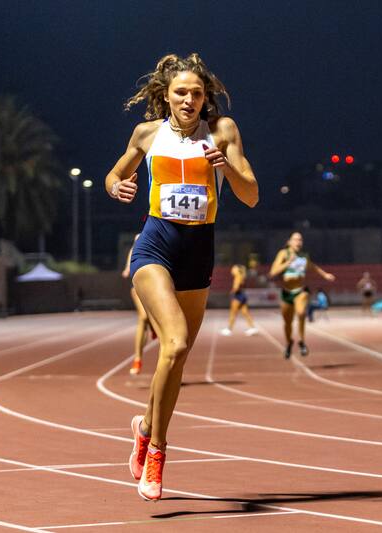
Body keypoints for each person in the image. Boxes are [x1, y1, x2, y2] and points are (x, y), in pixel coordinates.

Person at [105, 53, 258, 501]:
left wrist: (225, 166)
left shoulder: (222, 131)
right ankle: (157, 451)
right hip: (155, 246)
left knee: (177, 358)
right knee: (173, 344)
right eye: (181, 93)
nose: (189, 100)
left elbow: (250, 195)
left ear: (205, 97)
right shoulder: (147, 134)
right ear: (166, 96)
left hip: (198, 252)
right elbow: (115, 174)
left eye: (196, 93)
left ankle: (144, 427)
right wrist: (116, 186)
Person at [269, 232, 335, 359]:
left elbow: (313, 266)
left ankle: (302, 341)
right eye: (295, 239)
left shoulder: (304, 256)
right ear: (289, 242)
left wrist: (325, 274)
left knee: (301, 313)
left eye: (300, 240)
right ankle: (289, 342)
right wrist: (287, 263)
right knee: (287, 323)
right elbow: (273, 272)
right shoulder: (283, 254)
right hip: (286, 292)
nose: (298, 242)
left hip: (300, 290)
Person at [122, 233, 153, 375]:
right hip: (138, 284)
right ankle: (138, 359)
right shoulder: (140, 236)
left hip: (157, 286)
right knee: (144, 317)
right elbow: (133, 249)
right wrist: (127, 267)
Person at [220, 264, 258, 336]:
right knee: (245, 312)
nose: (232, 270)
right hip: (242, 295)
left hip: (238, 296)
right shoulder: (242, 276)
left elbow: (236, 288)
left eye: (234, 268)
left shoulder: (237, 276)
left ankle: (228, 329)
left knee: (233, 313)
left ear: (237, 270)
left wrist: (232, 292)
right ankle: (253, 328)